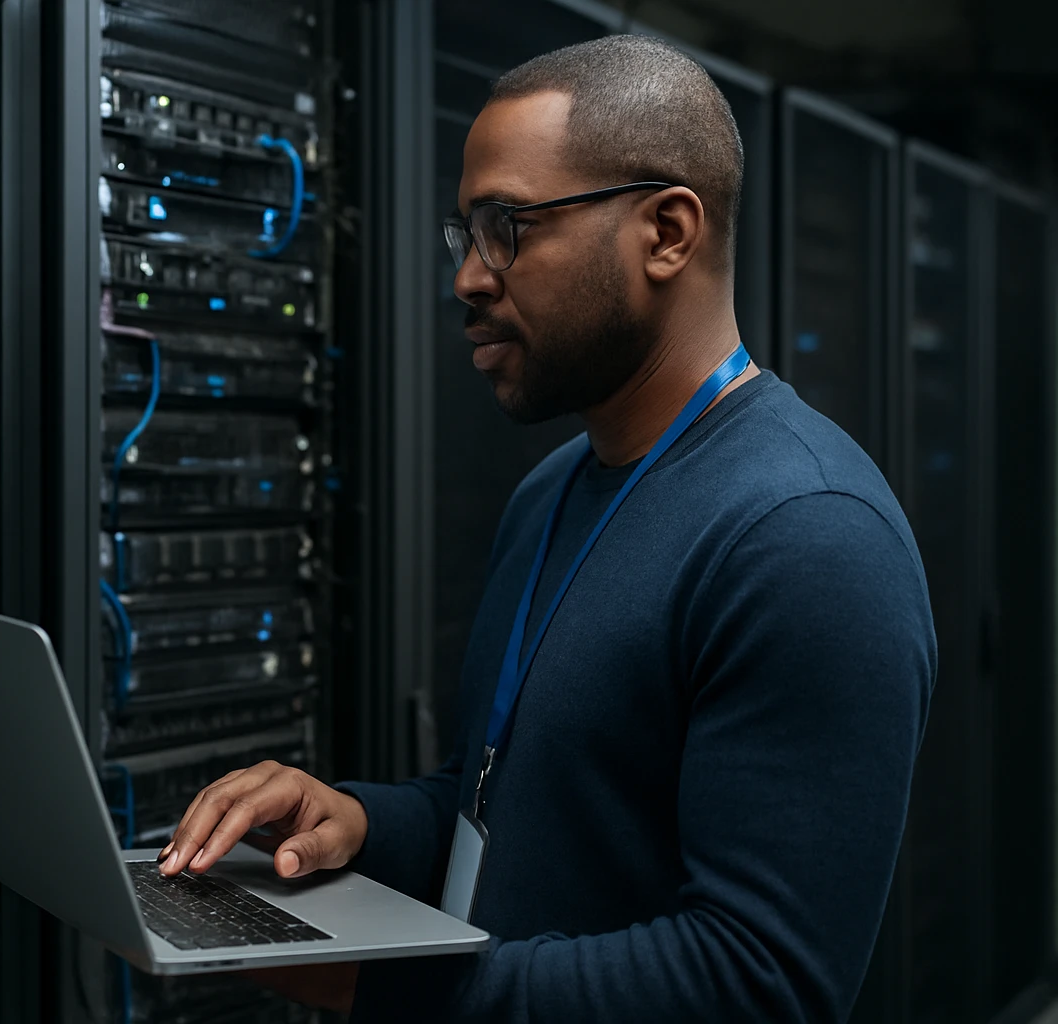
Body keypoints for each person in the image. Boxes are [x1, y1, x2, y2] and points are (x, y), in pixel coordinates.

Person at [157, 34, 935, 1022]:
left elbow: (758, 983)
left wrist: (385, 986)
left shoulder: (806, 540)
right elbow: (509, 806)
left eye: (508, 227)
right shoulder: (554, 489)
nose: (470, 278)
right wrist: (359, 820)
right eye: (466, 234)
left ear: (666, 232)